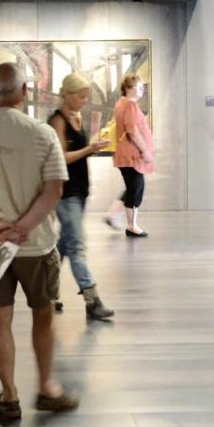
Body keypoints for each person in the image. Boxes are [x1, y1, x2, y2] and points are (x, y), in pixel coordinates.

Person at [0, 61, 79, 422]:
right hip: (35, 244)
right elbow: (54, 190)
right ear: (24, 92)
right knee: (43, 313)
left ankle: (9, 396)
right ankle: (47, 388)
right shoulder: (42, 134)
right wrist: (21, 228)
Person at [48, 72, 114, 320]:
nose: (85, 101)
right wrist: (89, 149)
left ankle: (46, 292)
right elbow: (60, 158)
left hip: (80, 190)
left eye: (87, 96)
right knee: (77, 246)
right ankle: (92, 299)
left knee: (63, 245)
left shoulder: (76, 117)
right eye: (81, 96)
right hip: (65, 193)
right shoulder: (58, 120)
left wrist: (91, 149)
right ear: (68, 94)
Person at [108, 74, 154, 237]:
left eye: (142, 87)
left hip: (126, 154)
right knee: (136, 189)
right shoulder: (130, 105)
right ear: (128, 88)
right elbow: (133, 131)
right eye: (138, 87)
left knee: (132, 186)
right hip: (131, 155)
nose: (141, 90)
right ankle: (132, 226)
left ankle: (114, 215)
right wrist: (145, 151)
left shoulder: (121, 103)